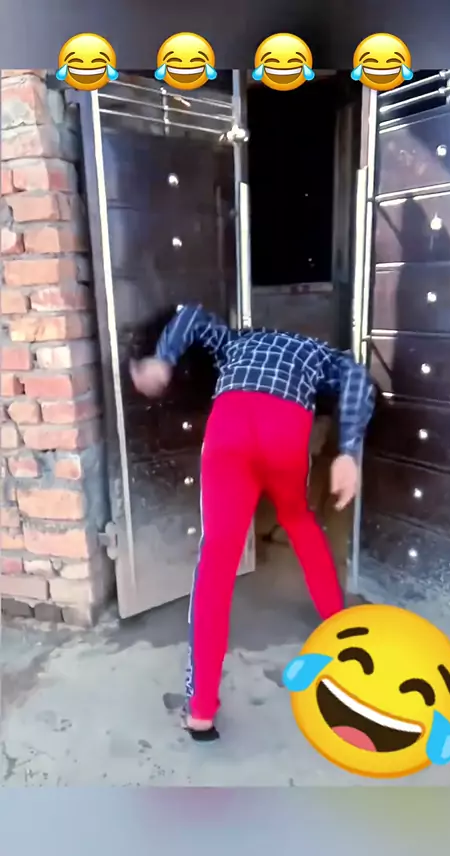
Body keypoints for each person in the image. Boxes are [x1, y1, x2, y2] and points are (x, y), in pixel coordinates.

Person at [130, 302, 375, 741]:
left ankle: (201, 709)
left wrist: (163, 359)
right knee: (299, 521)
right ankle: (338, 626)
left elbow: (193, 316)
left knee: (217, 560)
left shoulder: (234, 342)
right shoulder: (319, 353)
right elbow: (357, 377)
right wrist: (348, 452)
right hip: (287, 429)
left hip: (231, 425)